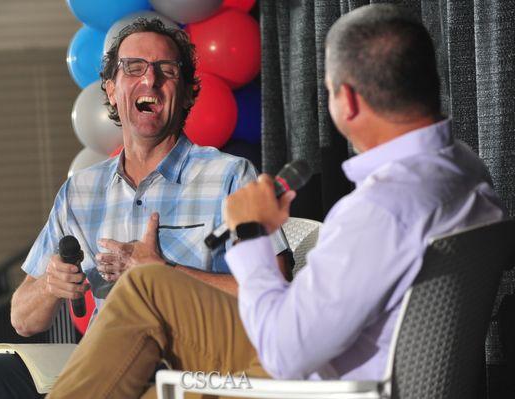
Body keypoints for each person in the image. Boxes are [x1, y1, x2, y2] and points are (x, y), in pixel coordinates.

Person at [46, 4, 506, 399]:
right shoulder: (465, 169)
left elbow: (284, 352)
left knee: (143, 294)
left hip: (307, 381)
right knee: (146, 302)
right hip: (333, 358)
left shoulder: (380, 209)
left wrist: (250, 234)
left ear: (345, 100)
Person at [0, 19, 290, 399]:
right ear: (111, 89)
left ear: (187, 94)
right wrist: (50, 285)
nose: (149, 80)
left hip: (189, 361)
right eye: (133, 68)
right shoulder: (81, 191)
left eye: (166, 71)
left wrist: (164, 274)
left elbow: (277, 294)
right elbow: (23, 319)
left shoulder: (230, 175)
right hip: (104, 357)